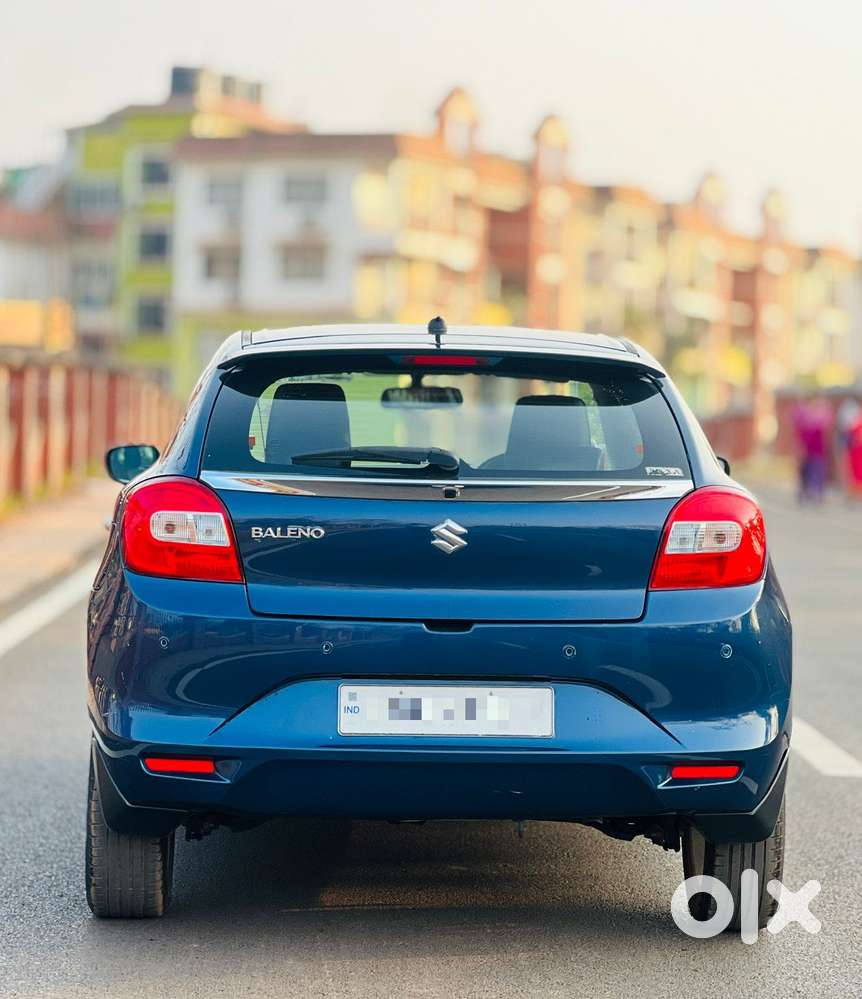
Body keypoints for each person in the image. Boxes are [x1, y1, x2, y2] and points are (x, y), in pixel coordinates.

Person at [792, 396, 832, 503]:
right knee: (805, 471)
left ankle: (816, 492)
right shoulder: (803, 415)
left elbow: (826, 431)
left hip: (818, 450)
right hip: (806, 449)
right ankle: (804, 492)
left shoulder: (821, 416)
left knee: (818, 470)